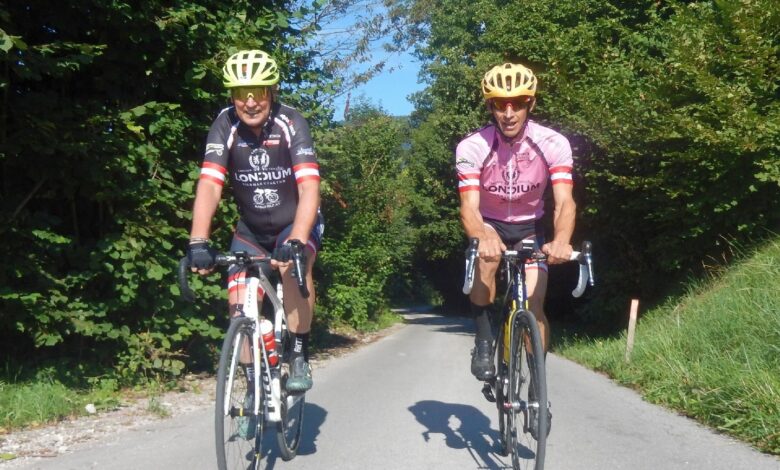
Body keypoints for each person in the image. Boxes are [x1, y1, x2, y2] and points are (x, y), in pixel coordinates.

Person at [187, 49, 322, 392]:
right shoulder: (224, 124)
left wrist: (297, 239)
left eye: (258, 92)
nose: (249, 102)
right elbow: (210, 184)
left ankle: (299, 352)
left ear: (271, 92)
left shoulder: (291, 122)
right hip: (251, 230)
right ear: (231, 96)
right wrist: (198, 241)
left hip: (294, 223)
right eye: (240, 93)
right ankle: (252, 385)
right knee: (238, 299)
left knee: (293, 266)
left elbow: (309, 186)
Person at [455, 62, 576, 381]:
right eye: (500, 104)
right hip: (490, 222)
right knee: (486, 262)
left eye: (518, 103)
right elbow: (469, 207)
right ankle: (483, 341)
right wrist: (481, 236)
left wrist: (562, 240)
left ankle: (538, 382)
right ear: (490, 107)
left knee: (535, 304)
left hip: (530, 227)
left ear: (530, 104)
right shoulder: (472, 146)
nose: (509, 113)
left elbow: (564, 202)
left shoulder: (553, 143)